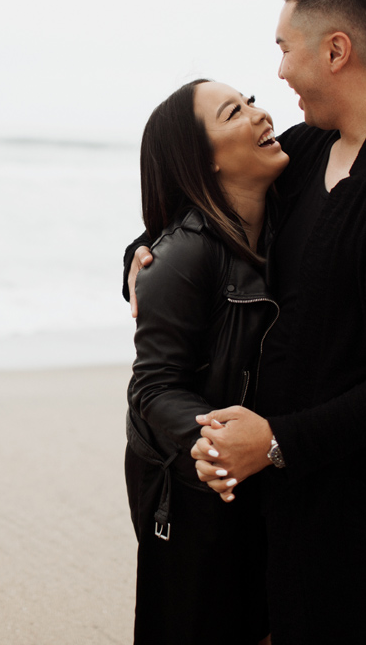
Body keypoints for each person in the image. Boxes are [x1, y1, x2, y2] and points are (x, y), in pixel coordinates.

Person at [124, 0, 366, 644]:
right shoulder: (310, 151)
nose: (281, 73)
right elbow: (209, 196)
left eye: (285, 50)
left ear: (336, 50)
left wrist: (280, 441)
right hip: (280, 519)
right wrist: (141, 257)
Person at [124, 77, 289, 644]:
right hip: (192, 483)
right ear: (206, 161)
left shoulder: (286, 221)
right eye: (233, 113)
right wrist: (212, 438)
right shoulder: (183, 254)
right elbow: (151, 387)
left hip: (261, 467)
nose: (260, 113)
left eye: (249, 100)